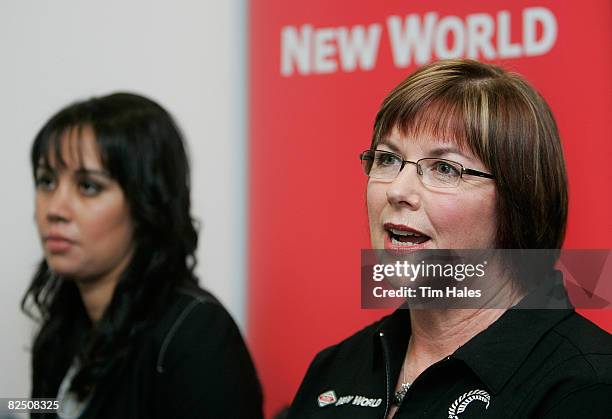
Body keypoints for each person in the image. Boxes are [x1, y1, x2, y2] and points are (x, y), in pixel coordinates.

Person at [286, 60, 612, 418]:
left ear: (519, 199)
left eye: (444, 169)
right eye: (388, 159)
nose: (398, 190)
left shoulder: (587, 387)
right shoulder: (334, 369)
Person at [22, 93, 263, 418]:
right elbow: (40, 409)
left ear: (146, 204)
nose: (55, 208)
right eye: (46, 181)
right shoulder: (60, 330)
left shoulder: (196, 336)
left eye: (88, 187)